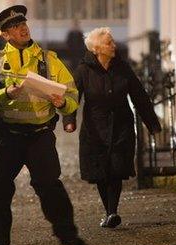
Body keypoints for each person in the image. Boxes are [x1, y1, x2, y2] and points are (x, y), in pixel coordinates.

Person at [0, 5, 89, 245]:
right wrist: (5, 93)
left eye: (23, 23)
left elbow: (71, 96)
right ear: (5, 35)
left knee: (50, 187)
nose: (23, 28)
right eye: (15, 26)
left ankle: (70, 237)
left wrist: (62, 104)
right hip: (6, 136)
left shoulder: (49, 60)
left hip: (39, 135)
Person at [66, 27, 161, 228]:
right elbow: (72, 97)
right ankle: (109, 211)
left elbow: (139, 96)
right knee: (101, 171)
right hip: (95, 129)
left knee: (116, 170)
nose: (114, 46)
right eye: (109, 43)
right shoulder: (84, 70)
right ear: (97, 49)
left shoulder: (122, 68)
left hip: (121, 126)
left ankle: (112, 212)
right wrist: (69, 120)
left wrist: (152, 124)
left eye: (113, 42)